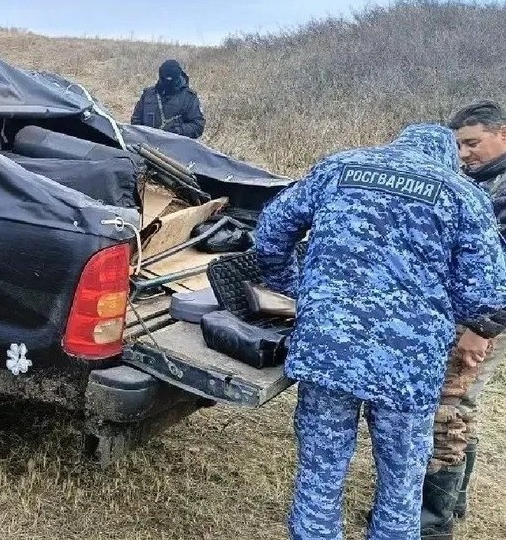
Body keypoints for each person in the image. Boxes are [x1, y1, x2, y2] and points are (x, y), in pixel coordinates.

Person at [254, 124, 506, 540]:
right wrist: (439, 313)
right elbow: (486, 296)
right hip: (409, 365)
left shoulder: (339, 167)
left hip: (328, 349)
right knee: (401, 488)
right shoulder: (463, 195)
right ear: (447, 155)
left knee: (319, 475)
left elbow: (269, 235)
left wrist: (295, 287)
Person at [419, 101, 506, 540]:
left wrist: (482, 328)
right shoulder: (483, 180)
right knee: (463, 405)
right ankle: (454, 504)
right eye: (459, 146)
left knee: (446, 411)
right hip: (473, 314)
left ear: (503, 134)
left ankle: (432, 524)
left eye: (473, 143)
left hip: (483, 320)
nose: (465, 153)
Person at [130, 59, 205, 139]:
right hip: (147, 143)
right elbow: (136, 120)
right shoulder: (148, 94)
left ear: (178, 76)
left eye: (171, 79)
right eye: (165, 78)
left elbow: (198, 126)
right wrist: (143, 135)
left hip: (176, 144)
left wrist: (178, 131)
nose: (168, 81)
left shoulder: (189, 97)